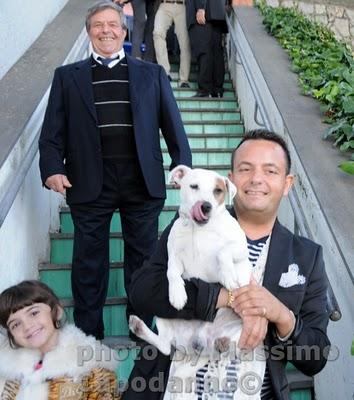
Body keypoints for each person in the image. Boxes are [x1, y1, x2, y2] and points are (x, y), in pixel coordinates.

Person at [123, 129, 330, 399]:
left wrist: (280, 315)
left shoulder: (306, 256)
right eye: (246, 169)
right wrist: (225, 297)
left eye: (270, 171)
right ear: (230, 181)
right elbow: (142, 292)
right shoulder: (186, 225)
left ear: (287, 183)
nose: (257, 179)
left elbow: (315, 358)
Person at [38, 0, 192, 341]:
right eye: (98, 25)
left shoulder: (151, 74)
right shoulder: (67, 77)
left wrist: (182, 163)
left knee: (143, 260)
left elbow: (173, 125)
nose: (105, 30)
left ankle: (142, 329)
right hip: (89, 180)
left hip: (141, 179)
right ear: (89, 32)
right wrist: (51, 168)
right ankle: (89, 333)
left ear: (123, 31)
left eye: (112, 24)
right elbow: (51, 134)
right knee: (89, 261)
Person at [0, 280, 119, 399]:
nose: (27, 326)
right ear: (12, 336)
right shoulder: (10, 372)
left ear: (57, 312)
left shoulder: (91, 364)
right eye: (15, 324)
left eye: (34, 313)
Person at [186, 0, 228, 97]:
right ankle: (217, 89)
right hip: (214, 14)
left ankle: (205, 89)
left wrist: (201, 7)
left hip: (204, 12)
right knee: (216, 51)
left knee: (204, 51)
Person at [153, 0, 191, 87]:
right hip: (164, 5)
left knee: (185, 41)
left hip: (182, 6)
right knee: (157, 33)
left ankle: (184, 79)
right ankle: (164, 72)